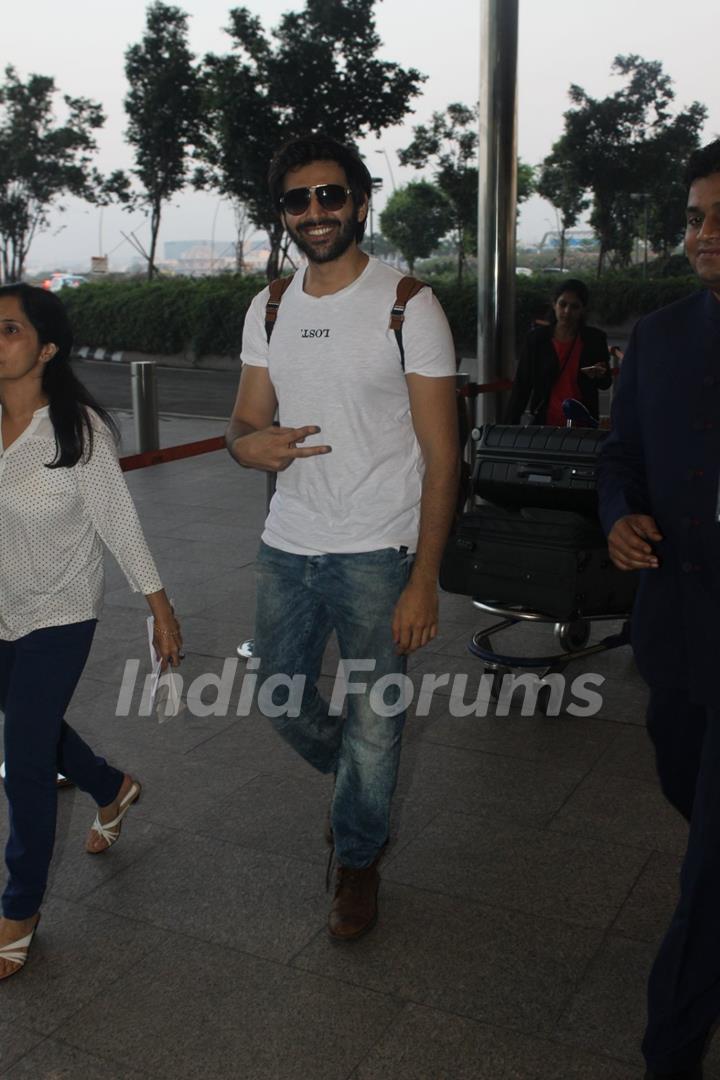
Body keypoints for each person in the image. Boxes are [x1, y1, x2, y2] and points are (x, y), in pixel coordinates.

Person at [226, 134, 458, 941]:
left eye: (331, 195)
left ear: (360, 201)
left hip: (378, 549)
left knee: (375, 717)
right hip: (289, 540)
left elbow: (442, 457)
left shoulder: (408, 303)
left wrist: (425, 577)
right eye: (298, 200)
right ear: (283, 213)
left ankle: (357, 860)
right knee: (280, 693)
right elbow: (245, 420)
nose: (315, 212)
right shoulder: (273, 305)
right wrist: (243, 443)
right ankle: (361, 785)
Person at [0, 284, 182, 980]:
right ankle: (112, 787)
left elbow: (117, 523)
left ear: (46, 348)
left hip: (61, 611)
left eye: (11, 328)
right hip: (2, 607)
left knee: (23, 758)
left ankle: (20, 908)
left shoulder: (77, 430)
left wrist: (159, 607)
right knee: (32, 725)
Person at [597, 139, 720, 1080]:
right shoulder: (663, 335)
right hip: (677, 633)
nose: (703, 236)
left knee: (705, 882)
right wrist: (620, 517)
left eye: (719, 218)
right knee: (683, 784)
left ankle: (668, 1055)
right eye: (694, 217)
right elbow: (620, 457)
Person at [505, 278, 612, 425]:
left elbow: (605, 383)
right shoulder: (537, 339)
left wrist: (600, 374)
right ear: (554, 304)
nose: (567, 311)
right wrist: (509, 427)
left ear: (583, 310)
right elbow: (522, 385)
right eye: (563, 304)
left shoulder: (594, 340)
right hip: (545, 422)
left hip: (583, 425)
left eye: (575, 307)